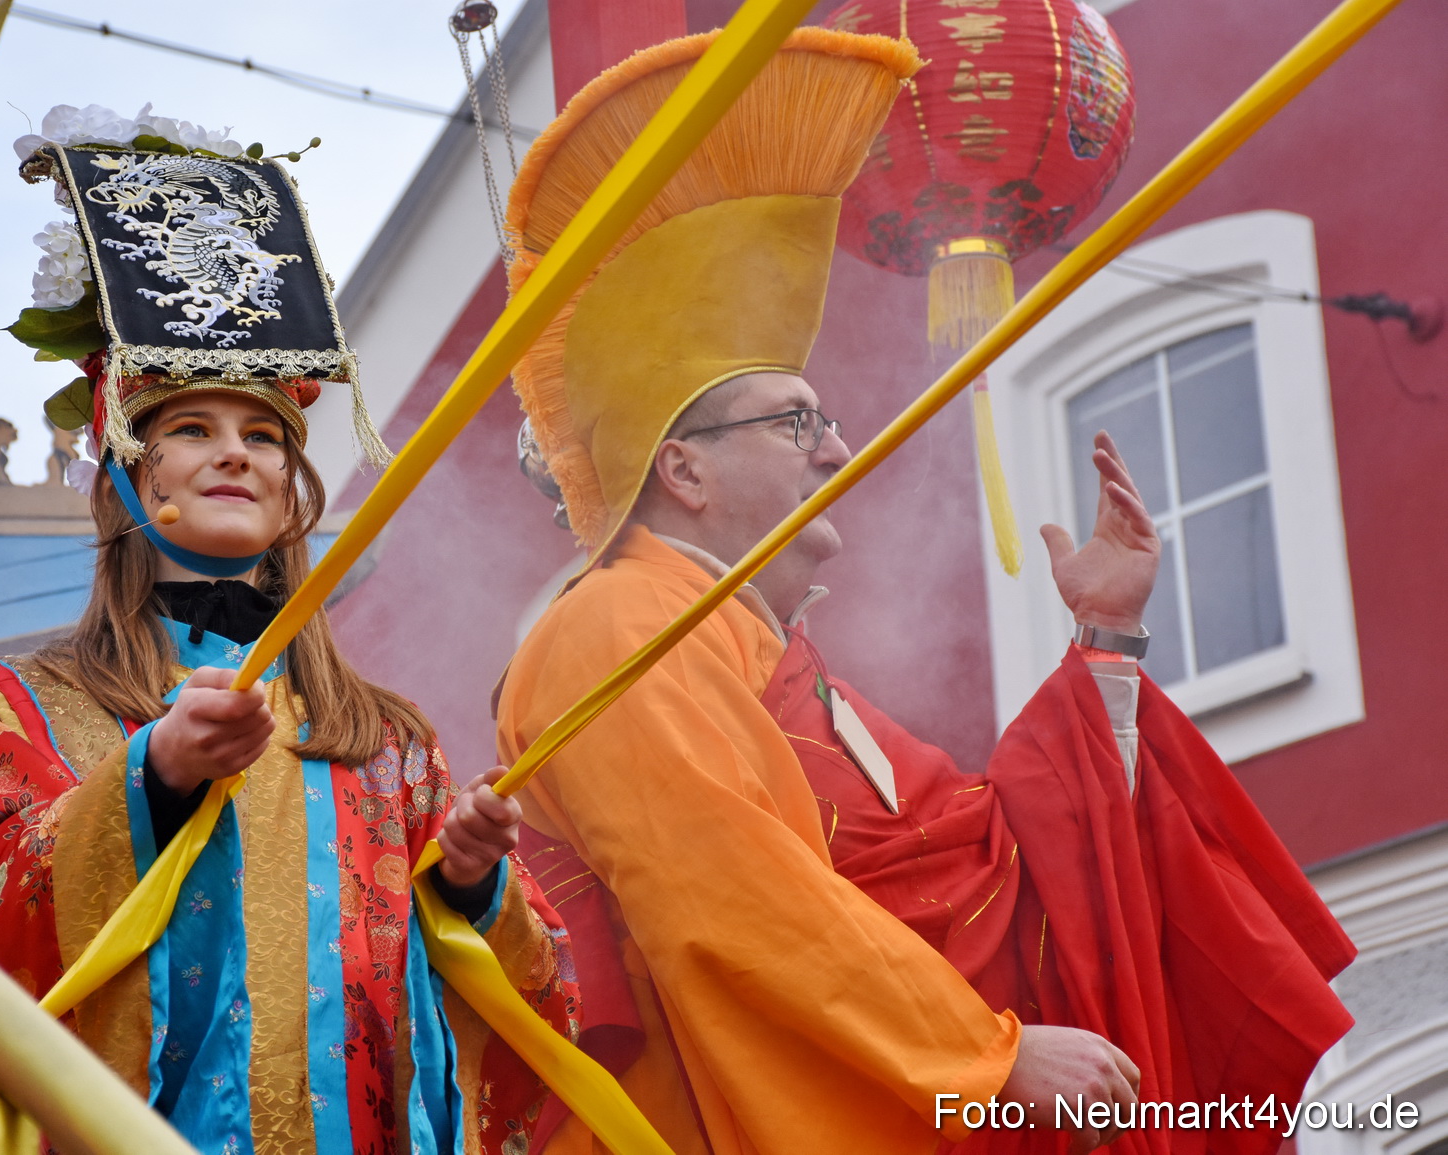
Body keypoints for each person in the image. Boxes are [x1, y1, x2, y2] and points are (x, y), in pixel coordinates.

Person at [495, 27, 1353, 1155]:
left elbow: (995, 854)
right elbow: (729, 899)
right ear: (684, 469)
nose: (836, 452)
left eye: (831, 422)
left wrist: (1103, 645)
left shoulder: (765, 656)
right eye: (798, 422)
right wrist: (981, 1055)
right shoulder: (612, 629)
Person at [0, 117, 577, 1155]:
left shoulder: (384, 738)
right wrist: (155, 777)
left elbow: (540, 994)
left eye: (263, 434)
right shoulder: (26, 706)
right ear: (130, 472)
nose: (234, 454)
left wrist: (468, 883)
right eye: (191, 427)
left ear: (291, 490)